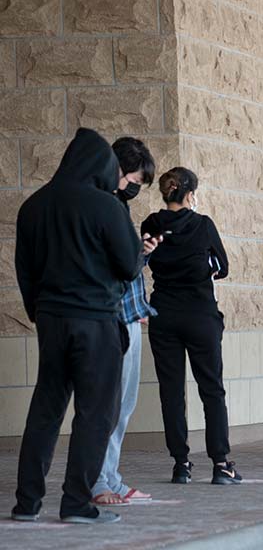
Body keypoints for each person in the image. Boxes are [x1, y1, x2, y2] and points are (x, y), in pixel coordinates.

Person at [12, 128, 144, 524]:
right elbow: (128, 264)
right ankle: (76, 503)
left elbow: (25, 270)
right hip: (96, 322)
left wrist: (39, 310)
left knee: (45, 410)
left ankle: (27, 503)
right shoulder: (107, 206)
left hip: (52, 321)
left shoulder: (33, 206)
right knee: (95, 413)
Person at [143, 167, 242, 485]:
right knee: (212, 389)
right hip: (201, 315)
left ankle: (181, 465)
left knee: (170, 391)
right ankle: (221, 464)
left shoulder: (151, 224)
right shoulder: (203, 225)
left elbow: (143, 258)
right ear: (189, 195)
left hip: (164, 315)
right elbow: (222, 267)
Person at [92, 138, 159, 508]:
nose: (136, 186)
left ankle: (111, 478)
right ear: (119, 170)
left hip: (130, 316)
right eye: (135, 177)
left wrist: (141, 254)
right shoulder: (106, 207)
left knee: (123, 406)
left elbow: (126, 264)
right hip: (113, 320)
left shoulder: (117, 206)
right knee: (110, 406)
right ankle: (101, 482)